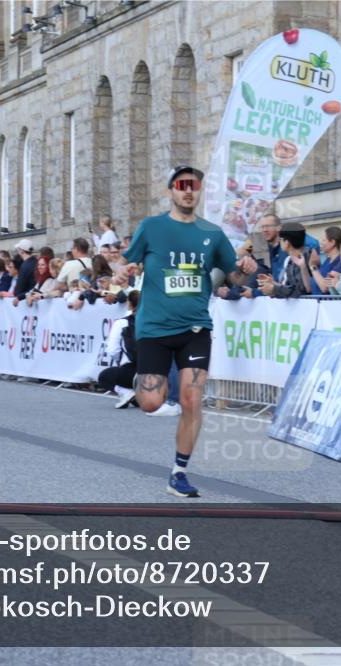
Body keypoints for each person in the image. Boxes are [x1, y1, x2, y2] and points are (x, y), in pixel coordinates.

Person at [122, 165, 253, 498]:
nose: (188, 191)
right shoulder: (151, 228)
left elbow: (233, 276)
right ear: (171, 192)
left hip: (195, 328)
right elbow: (126, 263)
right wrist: (123, 270)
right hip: (153, 328)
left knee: (191, 400)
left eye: (194, 186)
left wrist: (245, 272)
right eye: (182, 186)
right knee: (151, 402)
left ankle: (178, 472)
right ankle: (141, 380)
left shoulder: (212, 233)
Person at [98, 290, 141, 409]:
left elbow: (113, 350)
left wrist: (121, 362)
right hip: (158, 371)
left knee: (104, 376)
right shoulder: (156, 321)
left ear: (129, 304)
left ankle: (127, 392)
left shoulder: (122, 323)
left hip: (133, 370)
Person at [259, 222, 311, 298]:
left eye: (280, 239)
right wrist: (273, 283)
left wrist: (274, 289)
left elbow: (299, 290)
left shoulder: (306, 257)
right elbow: (287, 287)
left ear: (286, 242)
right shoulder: (288, 259)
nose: (280, 242)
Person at [311, 226, 341, 294]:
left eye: (324, 240)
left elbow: (325, 287)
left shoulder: (340, 261)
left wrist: (313, 266)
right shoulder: (328, 260)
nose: (321, 243)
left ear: (332, 242)